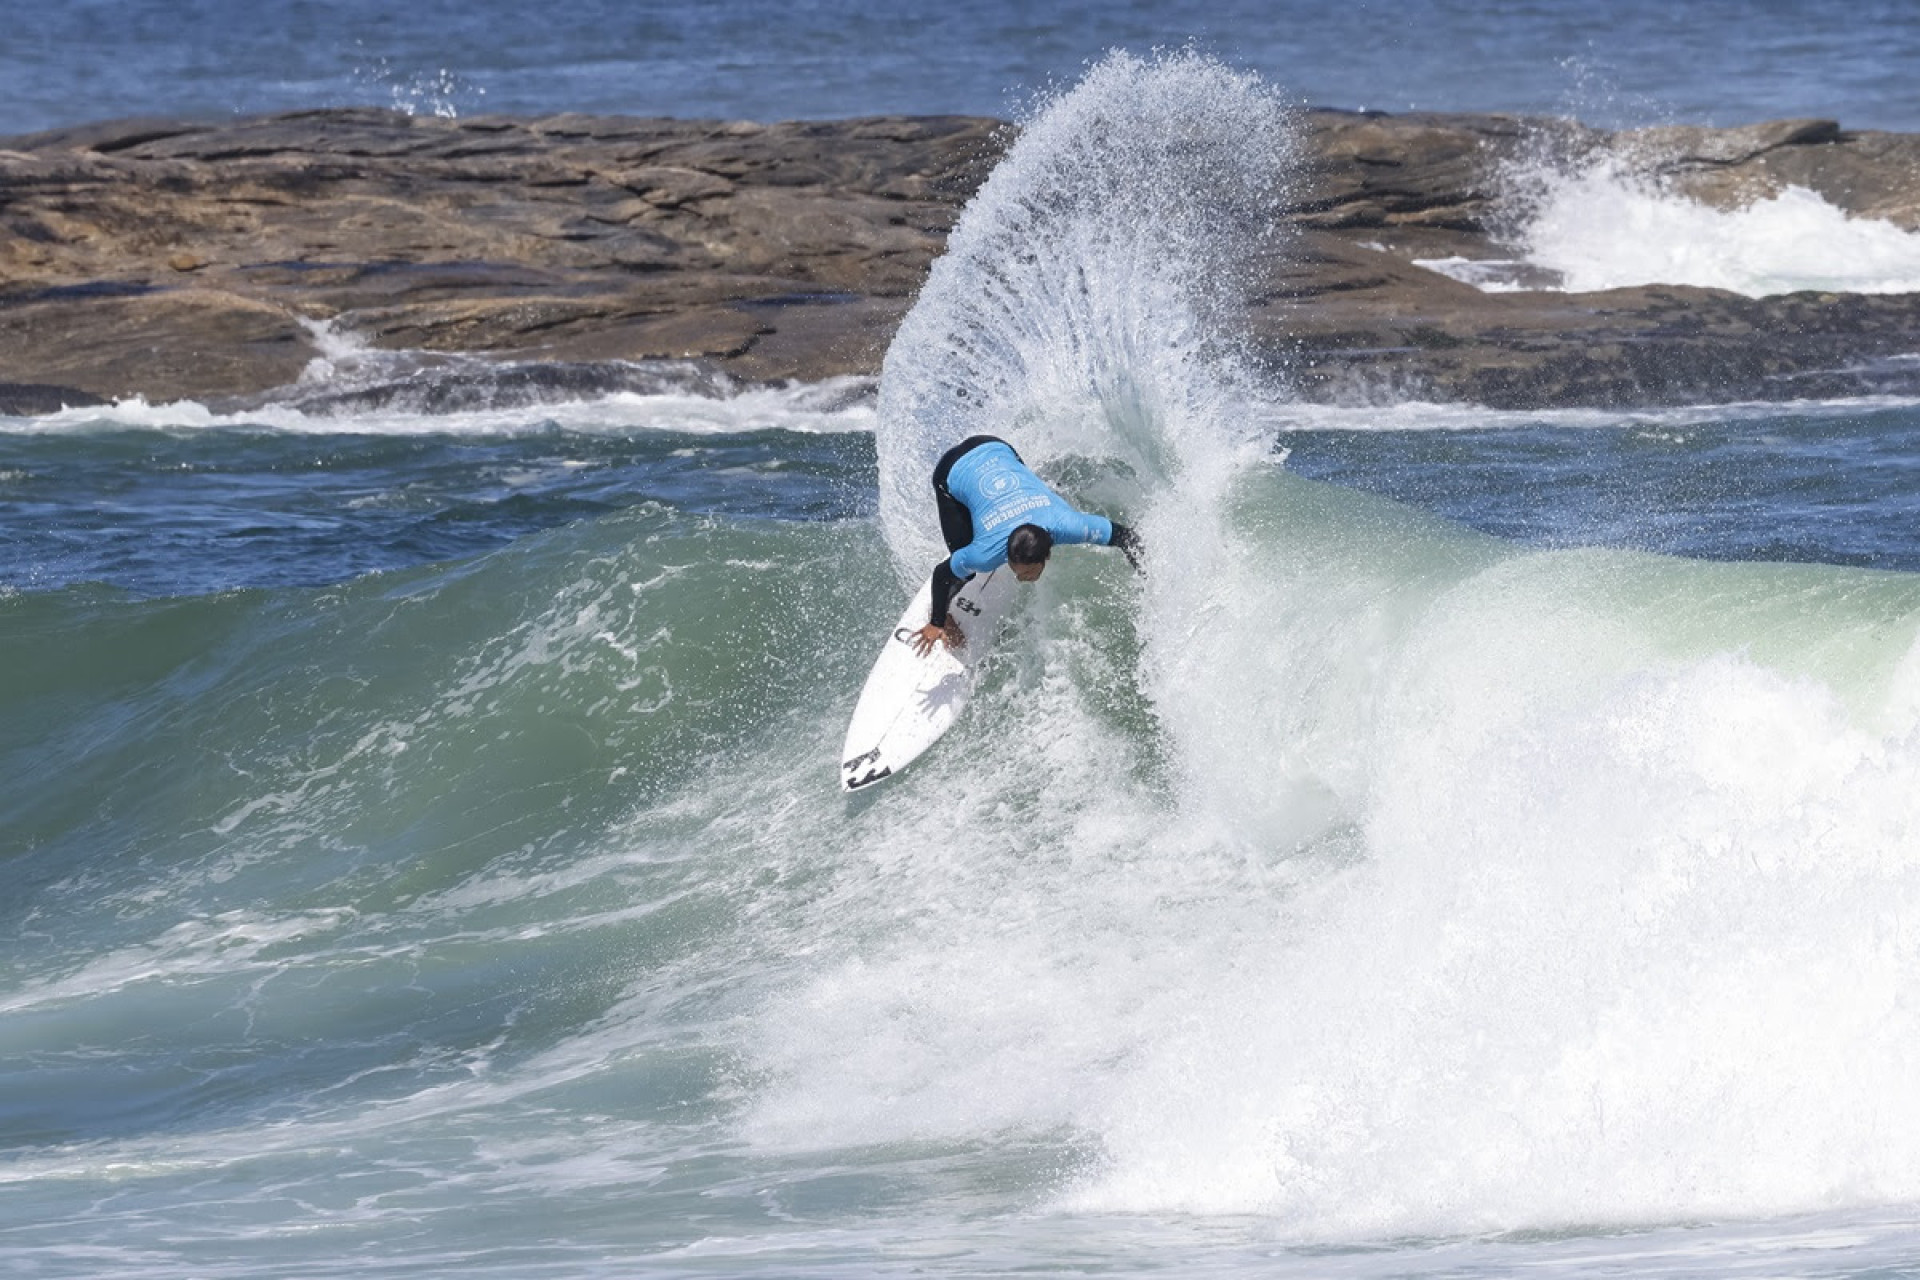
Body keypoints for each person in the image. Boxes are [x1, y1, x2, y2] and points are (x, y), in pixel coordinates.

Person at [912, 434, 1143, 656]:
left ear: (1047, 555)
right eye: (1017, 571)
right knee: (963, 567)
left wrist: (1147, 576)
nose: (1021, 579)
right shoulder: (985, 554)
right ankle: (944, 614)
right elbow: (942, 574)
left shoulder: (1069, 524)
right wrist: (936, 622)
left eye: (1028, 572)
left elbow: (1127, 537)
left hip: (996, 446)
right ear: (1006, 554)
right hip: (951, 469)